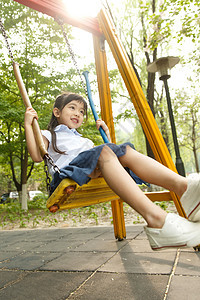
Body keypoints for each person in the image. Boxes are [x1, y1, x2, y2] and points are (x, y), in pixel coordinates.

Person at [24, 92, 200, 251]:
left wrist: (107, 136)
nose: (78, 113)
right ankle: (157, 219)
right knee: (105, 151)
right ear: (57, 112)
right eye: (72, 108)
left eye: (82, 111)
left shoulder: (83, 140)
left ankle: (185, 188)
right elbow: (37, 156)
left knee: (125, 151)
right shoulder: (48, 134)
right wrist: (28, 124)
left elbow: (109, 161)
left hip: (89, 171)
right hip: (67, 174)